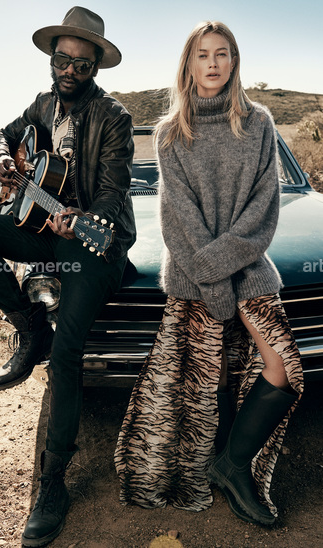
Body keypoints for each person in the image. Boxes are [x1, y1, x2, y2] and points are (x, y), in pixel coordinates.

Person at [0, 6, 136, 545]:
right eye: (62, 60)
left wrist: (83, 219)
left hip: (93, 241)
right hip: (39, 224)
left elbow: (113, 191)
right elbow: (3, 136)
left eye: (81, 63)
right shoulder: (41, 104)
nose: (69, 70)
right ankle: (30, 325)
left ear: (95, 67)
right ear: (52, 59)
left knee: (69, 353)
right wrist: (1, 160)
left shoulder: (114, 117)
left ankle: (52, 481)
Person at [114, 21, 303, 526]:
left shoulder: (258, 122)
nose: (213, 63)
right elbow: (178, 218)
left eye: (222, 53)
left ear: (234, 62)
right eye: (203, 54)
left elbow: (264, 207)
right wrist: (215, 283)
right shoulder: (170, 132)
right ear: (189, 64)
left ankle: (232, 466)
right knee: (206, 377)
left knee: (283, 367)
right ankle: (210, 463)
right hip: (193, 275)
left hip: (251, 269)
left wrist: (227, 273)